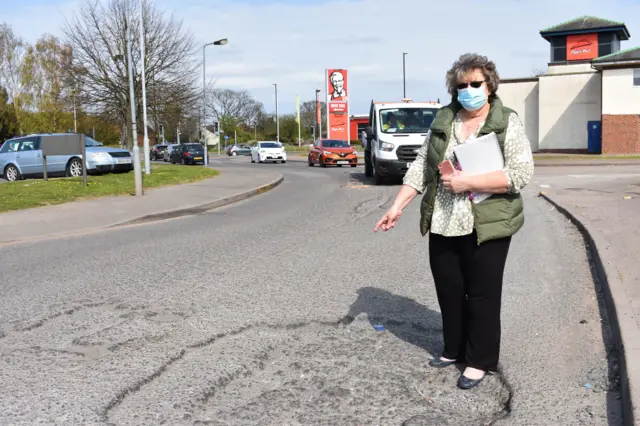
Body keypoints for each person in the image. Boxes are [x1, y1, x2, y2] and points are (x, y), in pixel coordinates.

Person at [374, 53, 534, 390]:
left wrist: (469, 183)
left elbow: (521, 174)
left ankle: (479, 360)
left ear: (490, 85)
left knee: (482, 294)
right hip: (443, 220)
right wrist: (397, 206)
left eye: (476, 83)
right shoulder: (444, 119)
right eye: (462, 85)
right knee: (449, 290)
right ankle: (454, 348)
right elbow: (422, 165)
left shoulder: (506, 121)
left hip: (486, 223)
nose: (469, 90)